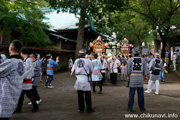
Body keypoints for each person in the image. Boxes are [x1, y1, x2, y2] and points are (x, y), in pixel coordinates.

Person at [0, 40, 24, 119]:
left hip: (5, 99)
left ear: (10, 48)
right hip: (13, 96)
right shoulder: (21, 62)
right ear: (20, 50)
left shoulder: (11, 62)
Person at [15, 48, 39, 113]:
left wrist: (23, 76)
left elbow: (30, 70)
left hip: (26, 80)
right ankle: (19, 109)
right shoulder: (25, 60)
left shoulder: (28, 60)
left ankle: (35, 107)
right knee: (23, 95)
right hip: (24, 80)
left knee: (28, 94)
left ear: (22, 53)